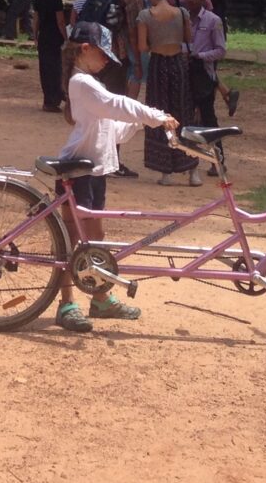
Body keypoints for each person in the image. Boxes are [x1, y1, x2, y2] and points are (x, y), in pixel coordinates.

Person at [50, 27, 175, 332]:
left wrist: (142, 123)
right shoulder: (81, 83)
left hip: (95, 172)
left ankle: (100, 297)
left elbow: (111, 129)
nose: (107, 60)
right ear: (84, 49)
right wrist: (152, 115)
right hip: (76, 173)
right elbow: (117, 105)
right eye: (102, 53)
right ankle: (66, 303)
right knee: (70, 241)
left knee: (95, 242)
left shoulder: (91, 86)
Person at [137, 0, 200, 184]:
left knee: (159, 114)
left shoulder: (145, 16)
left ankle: (166, 172)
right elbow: (188, 39)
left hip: (158, 65)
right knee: (184, 113)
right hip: (178, 65)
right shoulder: (181, 13)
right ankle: (193, 171)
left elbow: (142, 47)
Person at [182, 0, 239, 119]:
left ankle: (214, 139)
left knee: (207, 113)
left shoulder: (213, 21)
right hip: (184, 71)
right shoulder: (182, 19)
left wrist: (199, 56)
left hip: (204, 75)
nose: (191, 0)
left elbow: (221, 51)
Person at [31, 0, 72, 112]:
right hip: (55, 37)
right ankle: (54, 98)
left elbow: (35, 20)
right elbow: (60, 22)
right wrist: (66, 37)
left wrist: (35, 36)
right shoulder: (56, 0)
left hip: (44, 37)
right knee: (56, 68)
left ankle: (49, 99)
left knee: (45, 68)